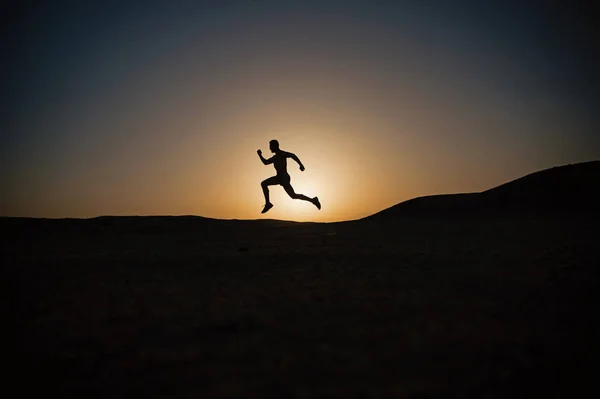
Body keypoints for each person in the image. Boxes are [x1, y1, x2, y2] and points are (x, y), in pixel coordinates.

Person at [257, 139, 321, 214]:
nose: (270, 148)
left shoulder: (282, 154)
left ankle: (313, 200)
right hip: (279, 178)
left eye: (271, 146)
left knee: (293, 195)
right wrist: (260, 155)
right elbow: (266, 162)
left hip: (284, 178)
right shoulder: (274, 157)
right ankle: (313, 200)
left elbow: (292, 155)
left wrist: (300, 165)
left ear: (275, 146)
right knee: (293, 195)